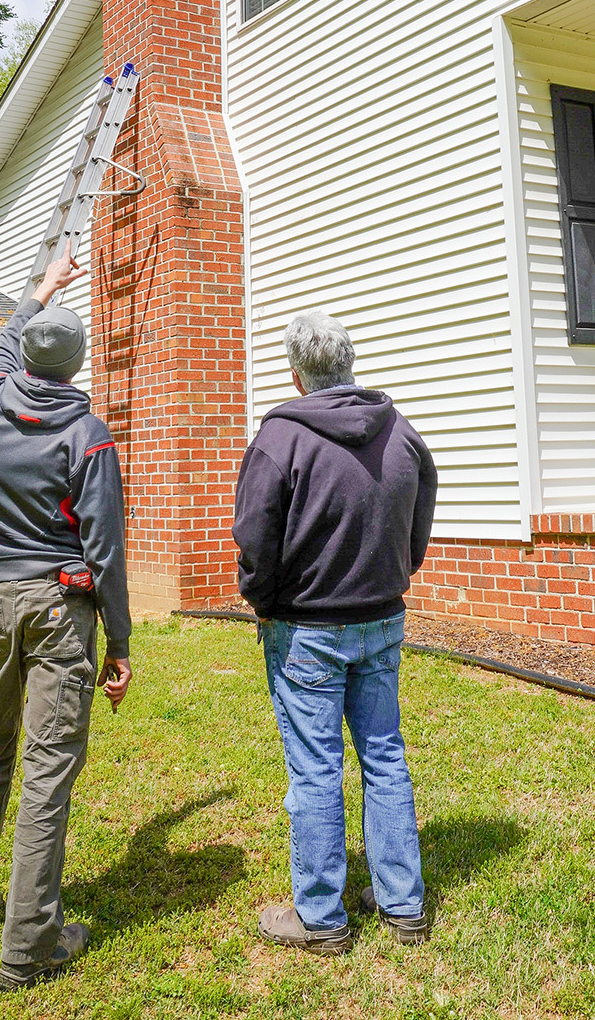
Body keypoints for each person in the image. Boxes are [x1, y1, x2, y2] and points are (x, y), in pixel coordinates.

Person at [0, 243, 133, 991]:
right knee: (49, 772)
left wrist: (44, 284)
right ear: (77, 366)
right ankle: (30, 947)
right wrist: (119, 641)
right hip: (58, 608)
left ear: (24, 355)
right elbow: (107, 550)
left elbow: (2, 338)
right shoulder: (87, 435)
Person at [232, 310, 438, 954]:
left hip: (307, 628)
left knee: (316, 770)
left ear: (297, 374)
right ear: (347, 364)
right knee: (384, 755)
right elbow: (419, 516)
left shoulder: (280, 439)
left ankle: (320, 917)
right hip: (381, 617)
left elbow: (254, 538)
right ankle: (402, 903)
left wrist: (260, 600)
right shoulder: (400, 433)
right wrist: (397, 572)